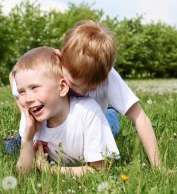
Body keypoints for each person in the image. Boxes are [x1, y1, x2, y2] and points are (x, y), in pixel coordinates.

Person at [7, 20, 161, 168]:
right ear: (61, 57)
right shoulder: (56, 67)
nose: (76, 89)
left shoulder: (107, 77)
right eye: (70, 81)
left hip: (100, 115)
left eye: (88, 88)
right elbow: (14, 78)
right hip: (59, 122)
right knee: (23, 143)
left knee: (109, 128)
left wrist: (157, 165)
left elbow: (139, 117)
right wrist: (29, 121)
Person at [13, 47, 119, 176]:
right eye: (21, 92)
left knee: (111, 123)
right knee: (13, 147)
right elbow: (23, 173)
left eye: (34, 88)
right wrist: (28, 140)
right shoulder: (31, 119)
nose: (28, 99)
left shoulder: (88, 112)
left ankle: (112, 111)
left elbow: (99, 169)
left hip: (104, 115)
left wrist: (50, 170)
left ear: (62, 88)